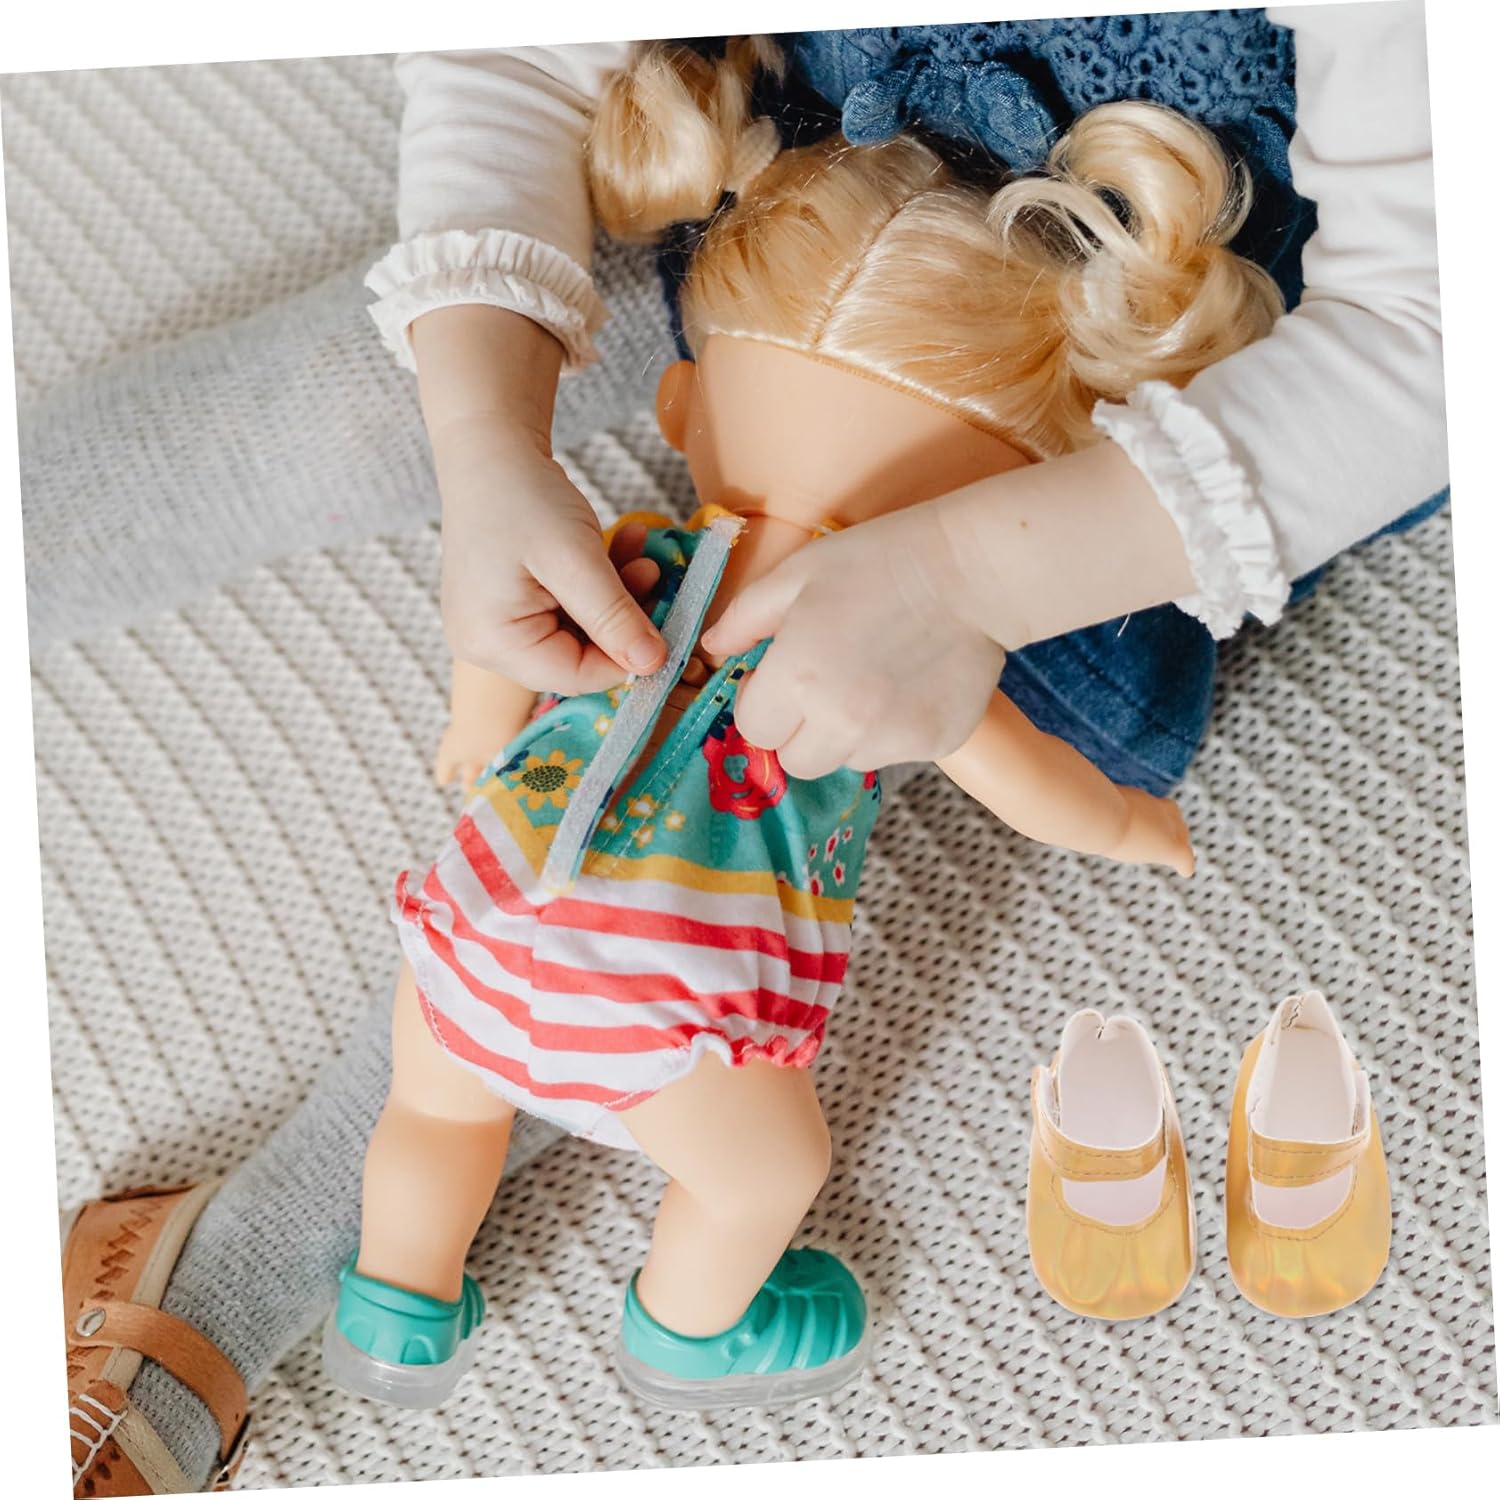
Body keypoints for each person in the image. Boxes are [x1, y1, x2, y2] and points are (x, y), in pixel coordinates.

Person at [59, 6, 1446, 1493]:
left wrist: (962, 580)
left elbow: (1432, 332)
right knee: (766, 1164)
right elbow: (510, 55)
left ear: (679, 419)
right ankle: (685, 1328)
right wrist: (482, 432)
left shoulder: (655, 553)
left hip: (1116, 402)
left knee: (450, 1085)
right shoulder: (859, 624)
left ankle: (352, 1284)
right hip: (776, 209)